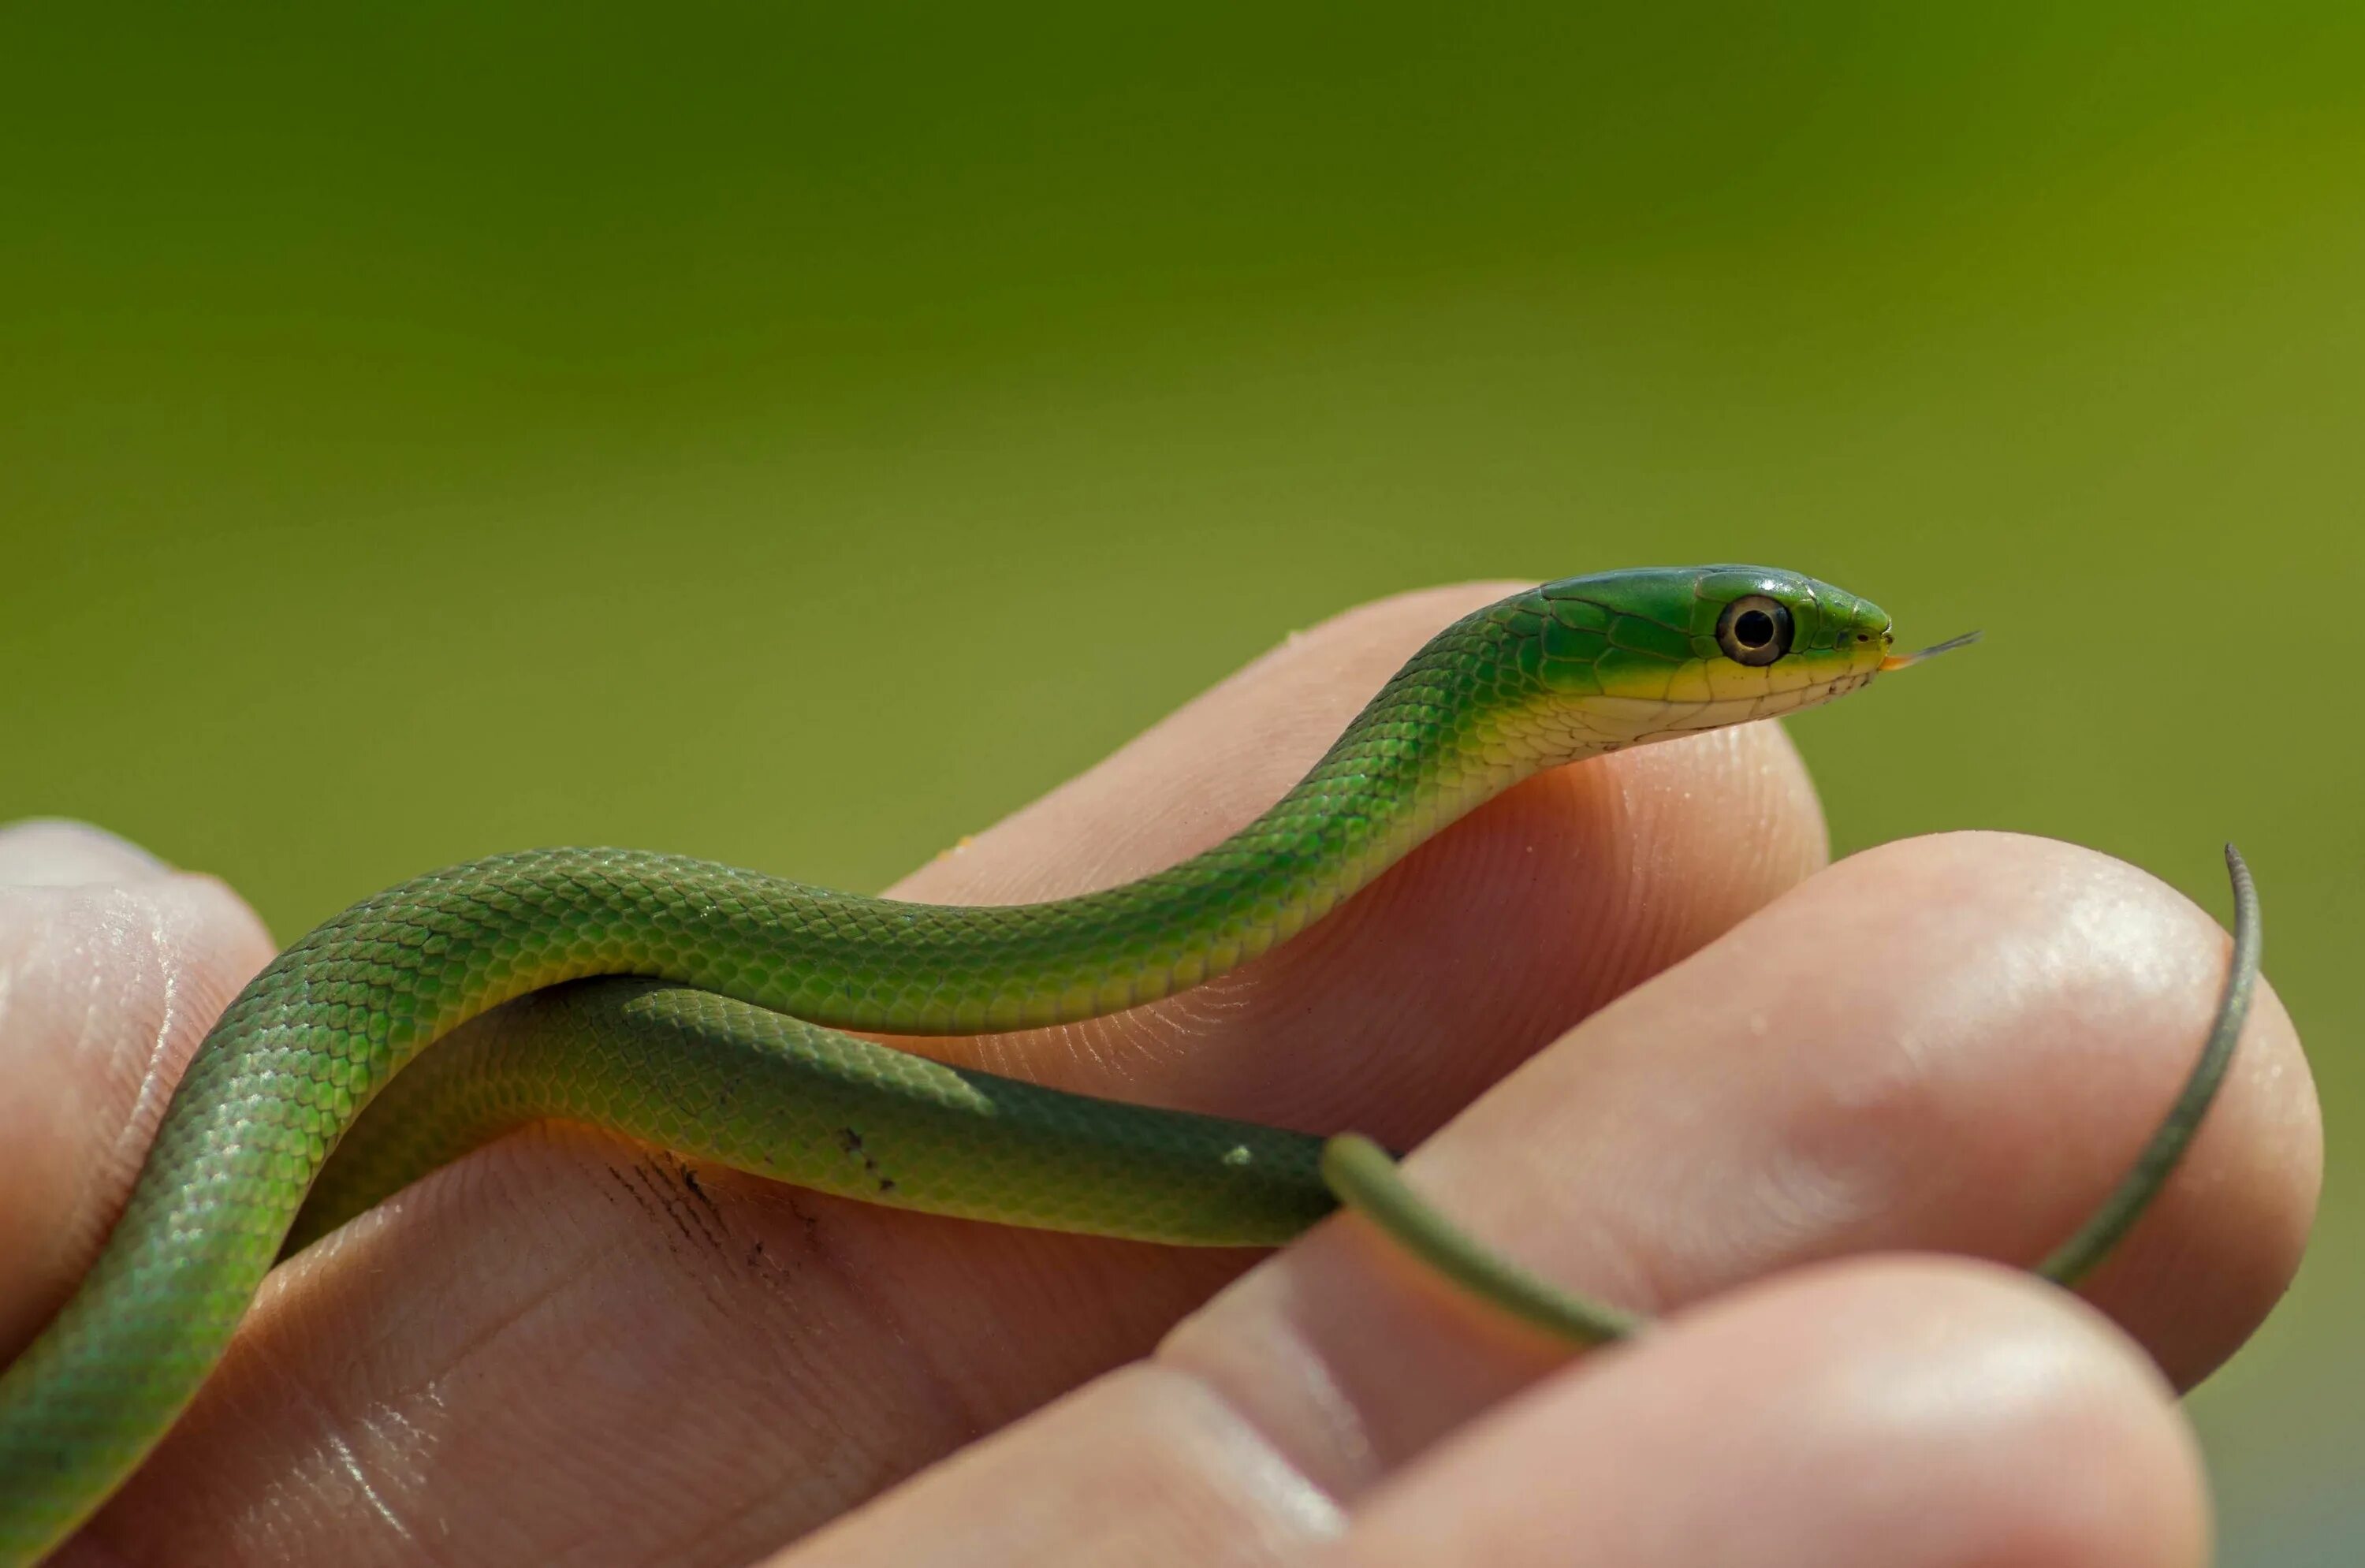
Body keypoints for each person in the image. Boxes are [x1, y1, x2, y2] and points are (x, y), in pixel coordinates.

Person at [0, 584, 2316, 1567]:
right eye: (1747, 639)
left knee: (584, 1058)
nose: (1792, 666)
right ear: (1545, 687)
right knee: (556, 1052)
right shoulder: (1340, 803)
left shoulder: (1395, 802)